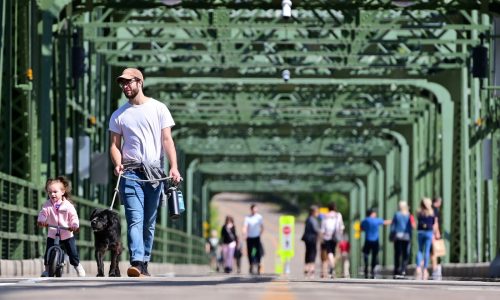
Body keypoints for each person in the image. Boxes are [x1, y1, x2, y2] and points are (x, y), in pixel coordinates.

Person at [109, 67, 182, 277]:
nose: (125, 86)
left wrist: (174, 166)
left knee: (149, 222)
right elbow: (114, 145)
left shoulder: (159, 109)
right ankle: (137, 261)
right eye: (122, 83)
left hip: (155, 174)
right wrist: (117, 162)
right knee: (134, 219)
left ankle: (145, 261)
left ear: (140, 82)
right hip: (130, 172)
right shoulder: (119, 115)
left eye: (129, 82)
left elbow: (167, 140)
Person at [37, 176, 85, 277]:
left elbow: (74, 217)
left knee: (73, 253)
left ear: (62, 192)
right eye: (50, 192)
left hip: (67, 233)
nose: (52, 194)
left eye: (55, 192)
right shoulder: (47, 204)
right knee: (48, 252)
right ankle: (47, 270)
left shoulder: (68, 205)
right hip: (53, 233)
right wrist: (41, 220)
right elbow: (43, 213)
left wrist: (74, 225)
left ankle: (77, 266)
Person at [360, 208, 391, 279]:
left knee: (366, 254)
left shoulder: (364, 221)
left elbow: (361, 229)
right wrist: (393, 220)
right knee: (374, 255)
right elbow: (385, 222)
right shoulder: (376, 220)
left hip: (367, 240)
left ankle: (366, 267)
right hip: (375, 241)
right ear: (372, 213)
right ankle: (373, 269)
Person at [415, 197, 440, 280]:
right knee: (427, 251)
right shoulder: (432, 212)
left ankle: (418, 267)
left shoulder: (419, 212)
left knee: (419, 250)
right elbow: (434, 224)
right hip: (429, 232)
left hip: (420, 232)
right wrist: (436, 233)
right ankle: (425, 269)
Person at [390, 201, 415, 278]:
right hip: (406, 236)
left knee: (397, 253)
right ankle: (403, 269)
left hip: (398, 236)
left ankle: (396, 269)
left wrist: (392, 235)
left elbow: (393, 225)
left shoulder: (397, 214)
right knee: (405, 254)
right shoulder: (409, 215)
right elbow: (413, 226)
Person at [320, 203, 344, 279]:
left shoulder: (325, 216)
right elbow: (341, 226)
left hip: (327, 236)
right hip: (335, 236)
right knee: (333, 252)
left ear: (328, 208)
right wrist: (340, 234)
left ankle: (332, 268)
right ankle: (332, 268)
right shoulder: (338, 215)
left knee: (329, 252)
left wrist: (322, 237)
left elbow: (322, 228)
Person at [242, 203, 264, 274]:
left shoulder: (259, 217)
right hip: (249, 237)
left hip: (256, 237)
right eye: (253, 209)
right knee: (250, 251)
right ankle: (251, 264)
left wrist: (260, 233)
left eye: (255, 209)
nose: (254, 210)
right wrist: (244, 233)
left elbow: (262, 227)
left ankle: (258, 264)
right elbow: (245, 226)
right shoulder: (247, 217)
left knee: (258, 251)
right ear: (251, 210)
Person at [301, 205, 320, 279]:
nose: (317, 213)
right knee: (313, 252)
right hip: (312, 238)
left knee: (307, 252)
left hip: (306, 238)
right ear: (313, 212)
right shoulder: (313, 220)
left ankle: (306, 268)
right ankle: (311, 268)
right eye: (317, 211)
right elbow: (316, 229)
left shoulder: (308, 219)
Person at [431, 196, 443, 280]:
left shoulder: (429, 209)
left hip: (427, 232)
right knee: (435, 252)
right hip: (433, 233)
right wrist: (437, 232)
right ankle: (435, 270)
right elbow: (435, 222)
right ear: (438, 202)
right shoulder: (435, 210)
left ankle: (421, 269)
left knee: (429, 252)